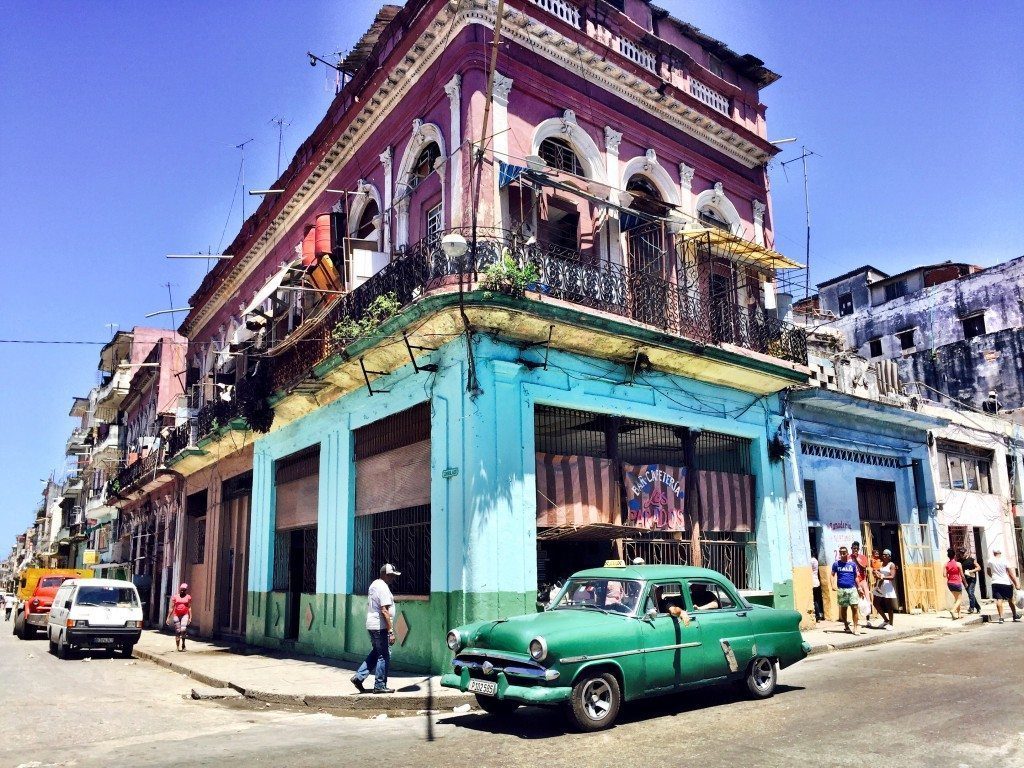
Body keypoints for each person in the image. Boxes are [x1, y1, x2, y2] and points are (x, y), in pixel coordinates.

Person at [351, 563, 401, 694]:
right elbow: (384, 610)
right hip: (380, 626)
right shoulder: (383, 587)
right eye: (391, 576)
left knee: (377, 652)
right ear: (384, 574)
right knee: (384, 655)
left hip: (372, 624)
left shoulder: (374, 584)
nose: (393, 579)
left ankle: (359, 677)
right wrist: (391, 631)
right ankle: (379, 685)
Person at [831, 546, 862, 634]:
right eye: (840, 552)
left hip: (852, 589)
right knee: (844, 609)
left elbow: (856, 577)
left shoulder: (852, 564)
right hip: (842, 590)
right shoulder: (836, 564)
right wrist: (832, 584)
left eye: (844, 552)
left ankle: (855, 628)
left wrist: (859, 587)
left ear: (847, 553)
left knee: (855, 607)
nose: (842, 554)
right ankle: (846, 625)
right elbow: (832, 574)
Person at [987, 548, 1021, 624]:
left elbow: (988, 572)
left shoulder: (990, 561)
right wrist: (1016, 584)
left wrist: (994, 577)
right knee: (1010, 599)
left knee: (999, 600)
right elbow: (1011, 574)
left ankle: (1001, 617)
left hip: (995, 582)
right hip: (1006, 582)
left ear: (993, 553)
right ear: (1000, 552)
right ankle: (1014, 615)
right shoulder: (1005, 560)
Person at [872, 549, 898, 630]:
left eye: (885, 554)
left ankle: (891, 624)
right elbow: (878, 572)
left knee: (889, 606)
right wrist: (876, 573)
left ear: (889, 556)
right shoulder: (881, 564)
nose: (883, 556)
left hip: (887, 586)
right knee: (875, 603)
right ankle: (886, 620)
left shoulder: (891, 565)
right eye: (883, 554)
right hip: (880, 585)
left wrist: (883, 577)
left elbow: (892, 577)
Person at [166, 583, 193, 651]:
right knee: (178, 631)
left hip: (185, 614)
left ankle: (183, 644)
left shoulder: (188, 597)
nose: (182, 591)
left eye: (184, 590)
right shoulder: (175, 597)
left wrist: (190, 617)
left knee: (183, 630)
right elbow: (172, 607)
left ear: (186, 590)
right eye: (181, 590)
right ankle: (177, 647)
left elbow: (189, 607)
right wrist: (168, 617)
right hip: (176, 615)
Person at [958, 547, 982, 614]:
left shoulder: (971, 560)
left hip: (972, 578)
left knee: (970, 592)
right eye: (960, 553)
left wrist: (971, 571)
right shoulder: (959, 561)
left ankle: (971, 608)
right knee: (970, 593)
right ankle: (978, 607)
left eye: (963, 553)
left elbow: (979, 568)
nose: (962, 554)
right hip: (965, 579)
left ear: (966, 552)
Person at [944, 548, 965, 620]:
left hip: (950, 583)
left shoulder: (946, 564)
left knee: (956, 599)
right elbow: (962, 575)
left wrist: (948, 574)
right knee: (959, 599)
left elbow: (944, 575)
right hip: (957, 582)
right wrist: (965, 583)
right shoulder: (958, 564)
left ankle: (959, 614)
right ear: (954, 555)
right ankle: (953, 610)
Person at [810, 555, 824, 621]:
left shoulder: (812, 560)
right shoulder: (815, 560)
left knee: (814, 600)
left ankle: (817, 615)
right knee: (816, 600)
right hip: (816, 581)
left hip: (813, 582)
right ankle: (819, 614)